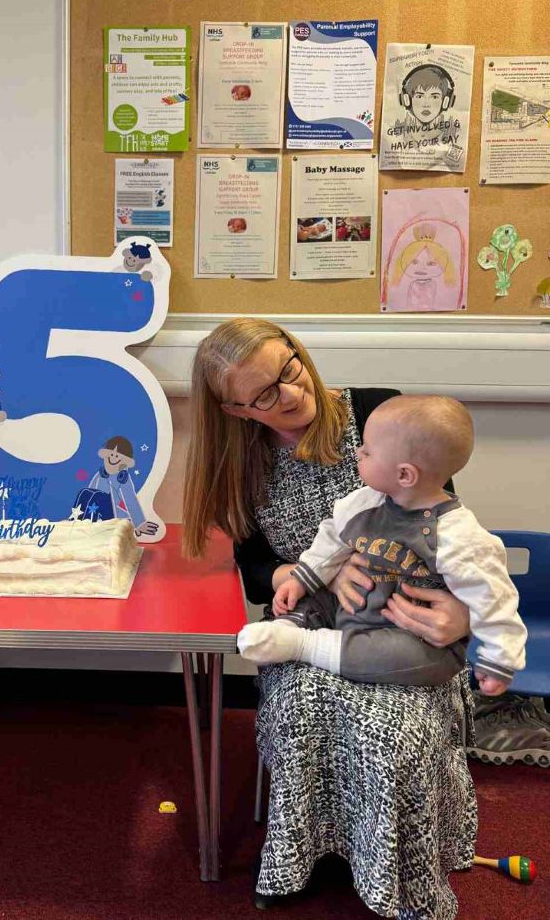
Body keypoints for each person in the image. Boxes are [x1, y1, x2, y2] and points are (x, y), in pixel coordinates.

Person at [182, 318, 477, 919]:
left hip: (404, 619)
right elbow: (256, 568)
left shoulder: (379, 414)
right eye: (263, 395)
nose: (290, 394)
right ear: (236, 411)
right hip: (310, 621)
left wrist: (463, 611)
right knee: (298, 711)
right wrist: (314, 571)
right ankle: (298, 855)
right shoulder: (240, 466)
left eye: (288, 369)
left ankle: (400, 876)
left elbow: (452, 525)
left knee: (395, 730)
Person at [237, 395, 527, 693]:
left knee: (420, 659)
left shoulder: (458, 536)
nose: (358, 453)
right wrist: (301, 578)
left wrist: (499, 660)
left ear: (404, 474)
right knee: (316, 595)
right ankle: (288, 627)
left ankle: (304, 645)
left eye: (367, 452)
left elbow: (494, 600)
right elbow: (332, 537)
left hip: (405, 630)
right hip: (352, 604)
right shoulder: (365, 502)